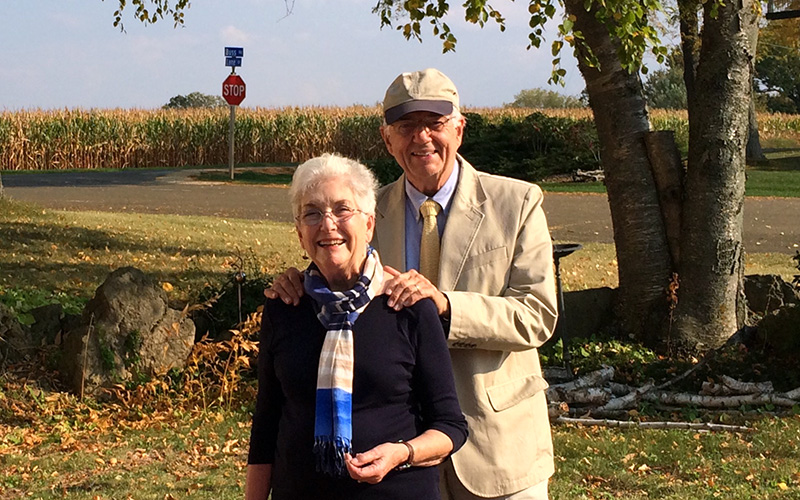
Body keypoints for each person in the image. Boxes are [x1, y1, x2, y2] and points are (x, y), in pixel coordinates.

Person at [266, 68, 558, 499]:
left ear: (459, 129)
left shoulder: (517, 203)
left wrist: (445, 306)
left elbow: (538, 314)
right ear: (387, 139)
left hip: (497, 448)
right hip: (396, 459)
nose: (421, 138)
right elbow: (339, 278)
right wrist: (297, 283)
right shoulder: (364, 211)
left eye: (434, 124)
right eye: (406, 127)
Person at [245, 153, 468, 500]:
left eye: (341, 210)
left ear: (368, 224)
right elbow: (265, 426)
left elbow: (450, 427)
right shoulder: (285, 305)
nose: (328, 225)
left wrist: (401, 452)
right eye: (312, 213)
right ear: (300, 234)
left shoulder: (407, 305)